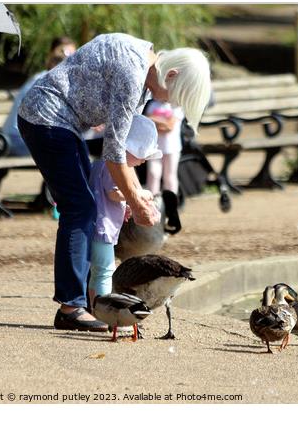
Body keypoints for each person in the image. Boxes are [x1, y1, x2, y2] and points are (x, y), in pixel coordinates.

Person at [17, 32, 211, 331]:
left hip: (66, 123)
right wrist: (135, 200)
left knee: (86, 206)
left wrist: (133, 194)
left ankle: (82, 303)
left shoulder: (145, 70)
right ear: (170, 74)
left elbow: (121, 145)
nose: (168, 103)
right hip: (46, 117)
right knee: (79, 208)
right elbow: (115, 150)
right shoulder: (133, 72)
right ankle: (71, 307)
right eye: (173, 95)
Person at [88, 114, 162, 309]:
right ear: (128, 147)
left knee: (97, 270)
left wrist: (127, 206)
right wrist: (137, 195)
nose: (144, 160)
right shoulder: (114, 166)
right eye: (142, 154)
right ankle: (101, 310)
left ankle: (93, 307)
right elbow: (113, 193)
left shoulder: (104, 162)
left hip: (100, 224)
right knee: (104, 270)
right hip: (102, 227)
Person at [2, 37, 78, 156]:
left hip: (21, 137)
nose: (72, 62)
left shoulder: (48, 78)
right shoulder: (46, 81)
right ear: (52, 58)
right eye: (65, 58)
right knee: (67, 150)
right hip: (17, 140)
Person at [144, 99, 184, 196]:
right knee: (153, 174)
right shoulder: (153, 104)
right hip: (154, 147)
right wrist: (163, 121)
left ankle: (171, 204)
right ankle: (152, 202)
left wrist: (154, 120)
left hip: (172, 148)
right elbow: (146, 121)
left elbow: (169, 126)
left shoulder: (177, 106)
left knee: (169, 177)